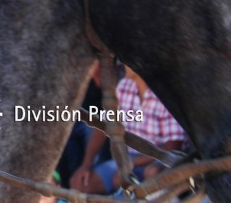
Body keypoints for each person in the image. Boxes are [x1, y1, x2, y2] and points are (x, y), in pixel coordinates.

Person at [70, 65, 186, 194]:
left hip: (159, 160)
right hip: (127, 159)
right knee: (80, 184)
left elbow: (173, 146)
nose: (122, 65)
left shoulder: (165, 94)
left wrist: (130, 164)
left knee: (152, 173)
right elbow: (103, 127)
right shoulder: (124, 86)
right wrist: (86, 165)